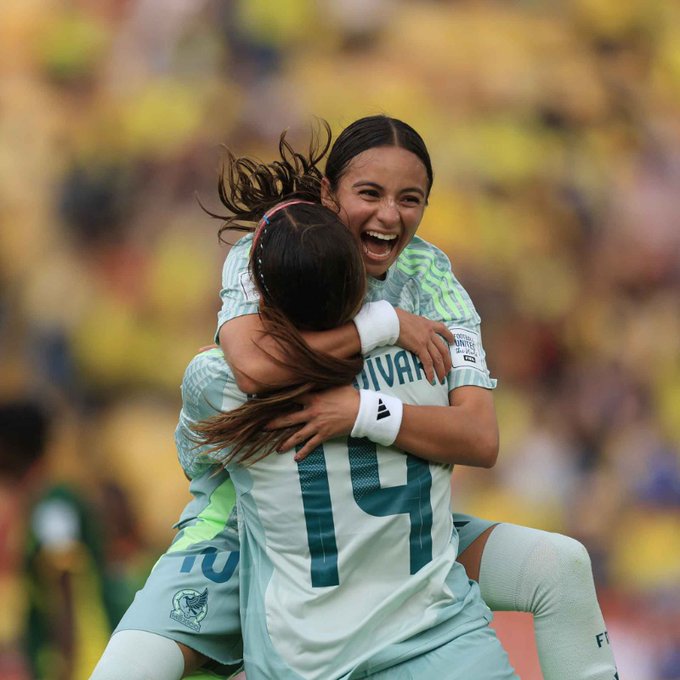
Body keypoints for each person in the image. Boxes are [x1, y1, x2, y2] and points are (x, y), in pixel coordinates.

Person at [214, 115, 619, 680]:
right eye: (370, 193)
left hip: (404, 535)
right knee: (139, 659)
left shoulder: (433, 281)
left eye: (411, 199)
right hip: (273, 539)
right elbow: (253, 368)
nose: (389, 215)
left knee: (560, 564)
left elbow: (480, 437)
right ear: (329, 194)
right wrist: (381, 324)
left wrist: (364, 413)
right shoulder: (270, 251)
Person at [91, 197, 517, 679]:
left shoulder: (219, 381)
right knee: (560, 567)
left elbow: (198, 457)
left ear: (262, 299)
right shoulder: (423, 365)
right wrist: (386, 331)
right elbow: (478, 439)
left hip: (247, 551)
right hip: (392, 566)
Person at [0, 398, 115, 680]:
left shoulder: (53, 507)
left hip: (84, 664)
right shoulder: (41, 502)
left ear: (9, 447)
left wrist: (66, 663)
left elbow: (68, 586)